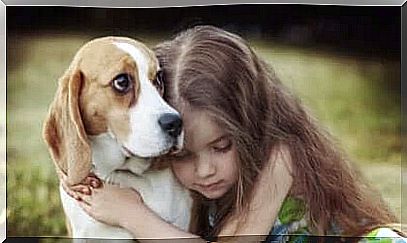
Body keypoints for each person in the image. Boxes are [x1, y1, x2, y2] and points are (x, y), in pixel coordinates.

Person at [63, 25, 405, 242]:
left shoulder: (279, 159)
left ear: (251, 126)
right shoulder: (196, 182)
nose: (205, 170)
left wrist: (130, 214)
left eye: (222, 146)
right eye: (183, 154)